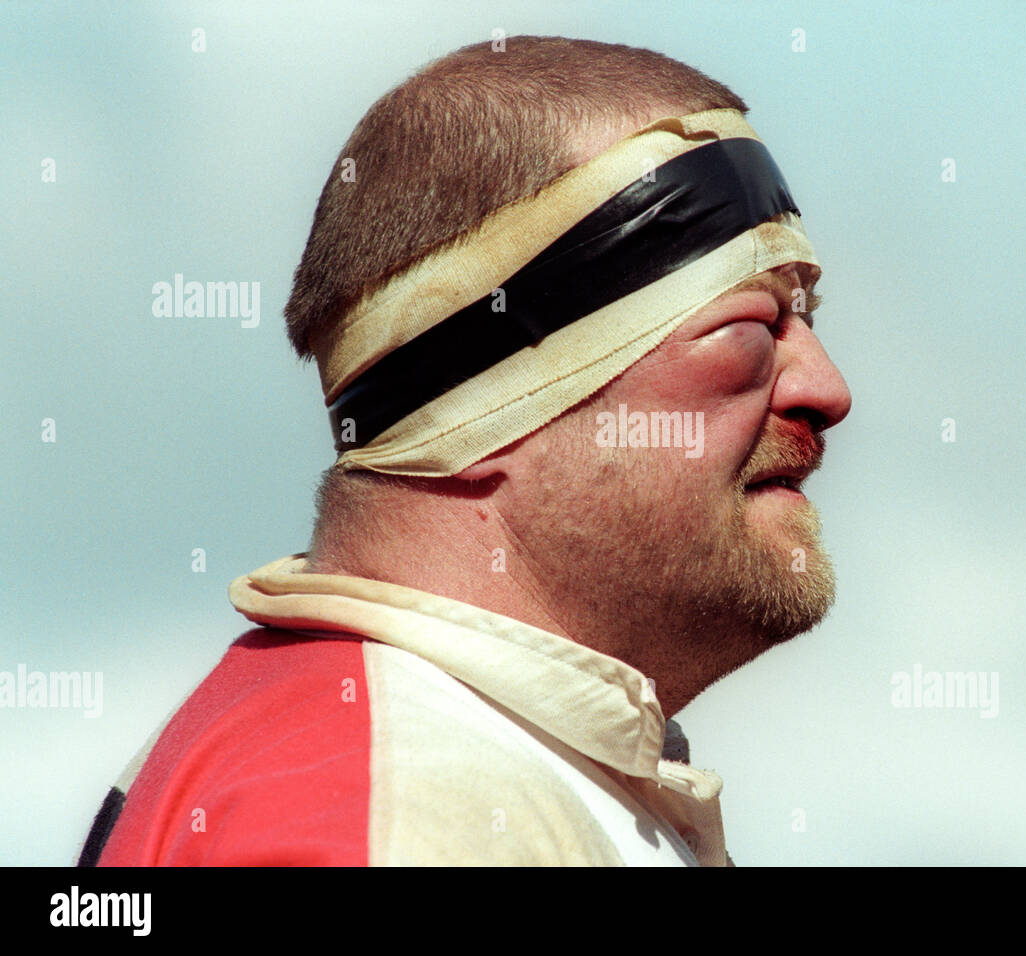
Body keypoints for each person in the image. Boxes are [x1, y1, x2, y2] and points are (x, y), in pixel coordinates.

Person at [79, 35, 851, 867]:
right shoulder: (385, 811)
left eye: (807, 320)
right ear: (480, 410)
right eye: (748, 329)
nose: (827, 388)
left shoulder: (459, 769)